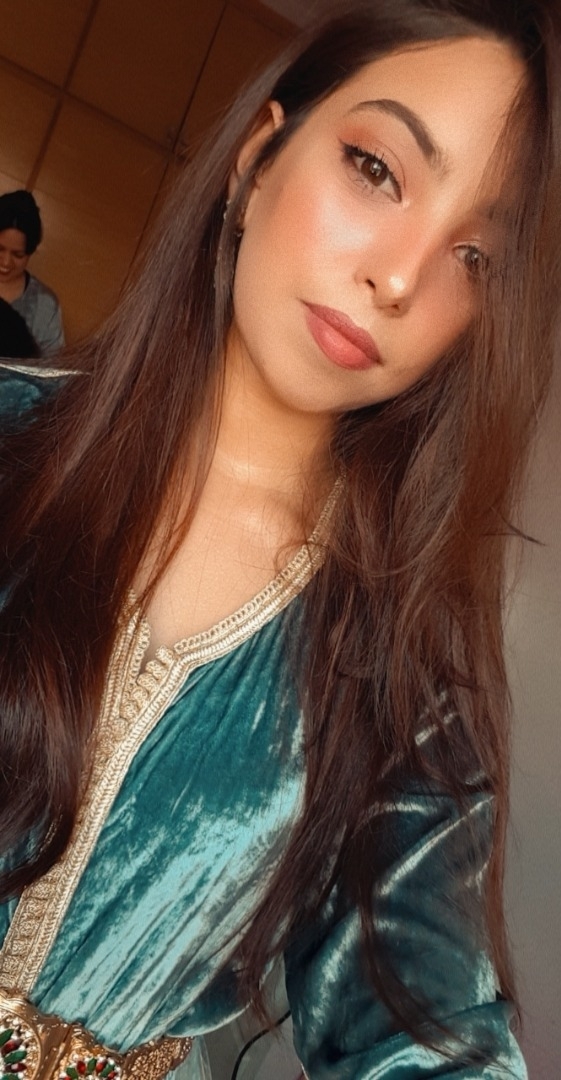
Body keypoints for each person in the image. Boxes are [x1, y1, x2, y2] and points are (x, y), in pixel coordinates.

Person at [0, 1, 559, 1077]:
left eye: (475, 256)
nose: (399, 276)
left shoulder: (397, 672)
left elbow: (426, 1028)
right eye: (377, 170)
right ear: (259, 159)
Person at [0, 189, 65, 358]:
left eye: (18, 255)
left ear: (30, 252)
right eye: (0, 249)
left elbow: (50, 368)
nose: (6, 262)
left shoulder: (44, 304)